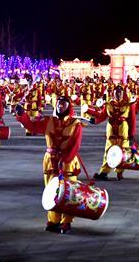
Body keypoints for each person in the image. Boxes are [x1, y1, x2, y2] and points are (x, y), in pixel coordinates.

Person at [16, 96, 90, 234]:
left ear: (69, 106)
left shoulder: (76, 124)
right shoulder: (49, 121)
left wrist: (65, 159)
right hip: (50, 161)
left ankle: (66, 221)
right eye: (59, 103)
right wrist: (22, 115)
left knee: (68, 193)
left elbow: (75, 145)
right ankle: (53, 220)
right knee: (51, 192)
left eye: (63, 104)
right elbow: (32, 125)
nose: (60, 106)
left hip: (68, 162)